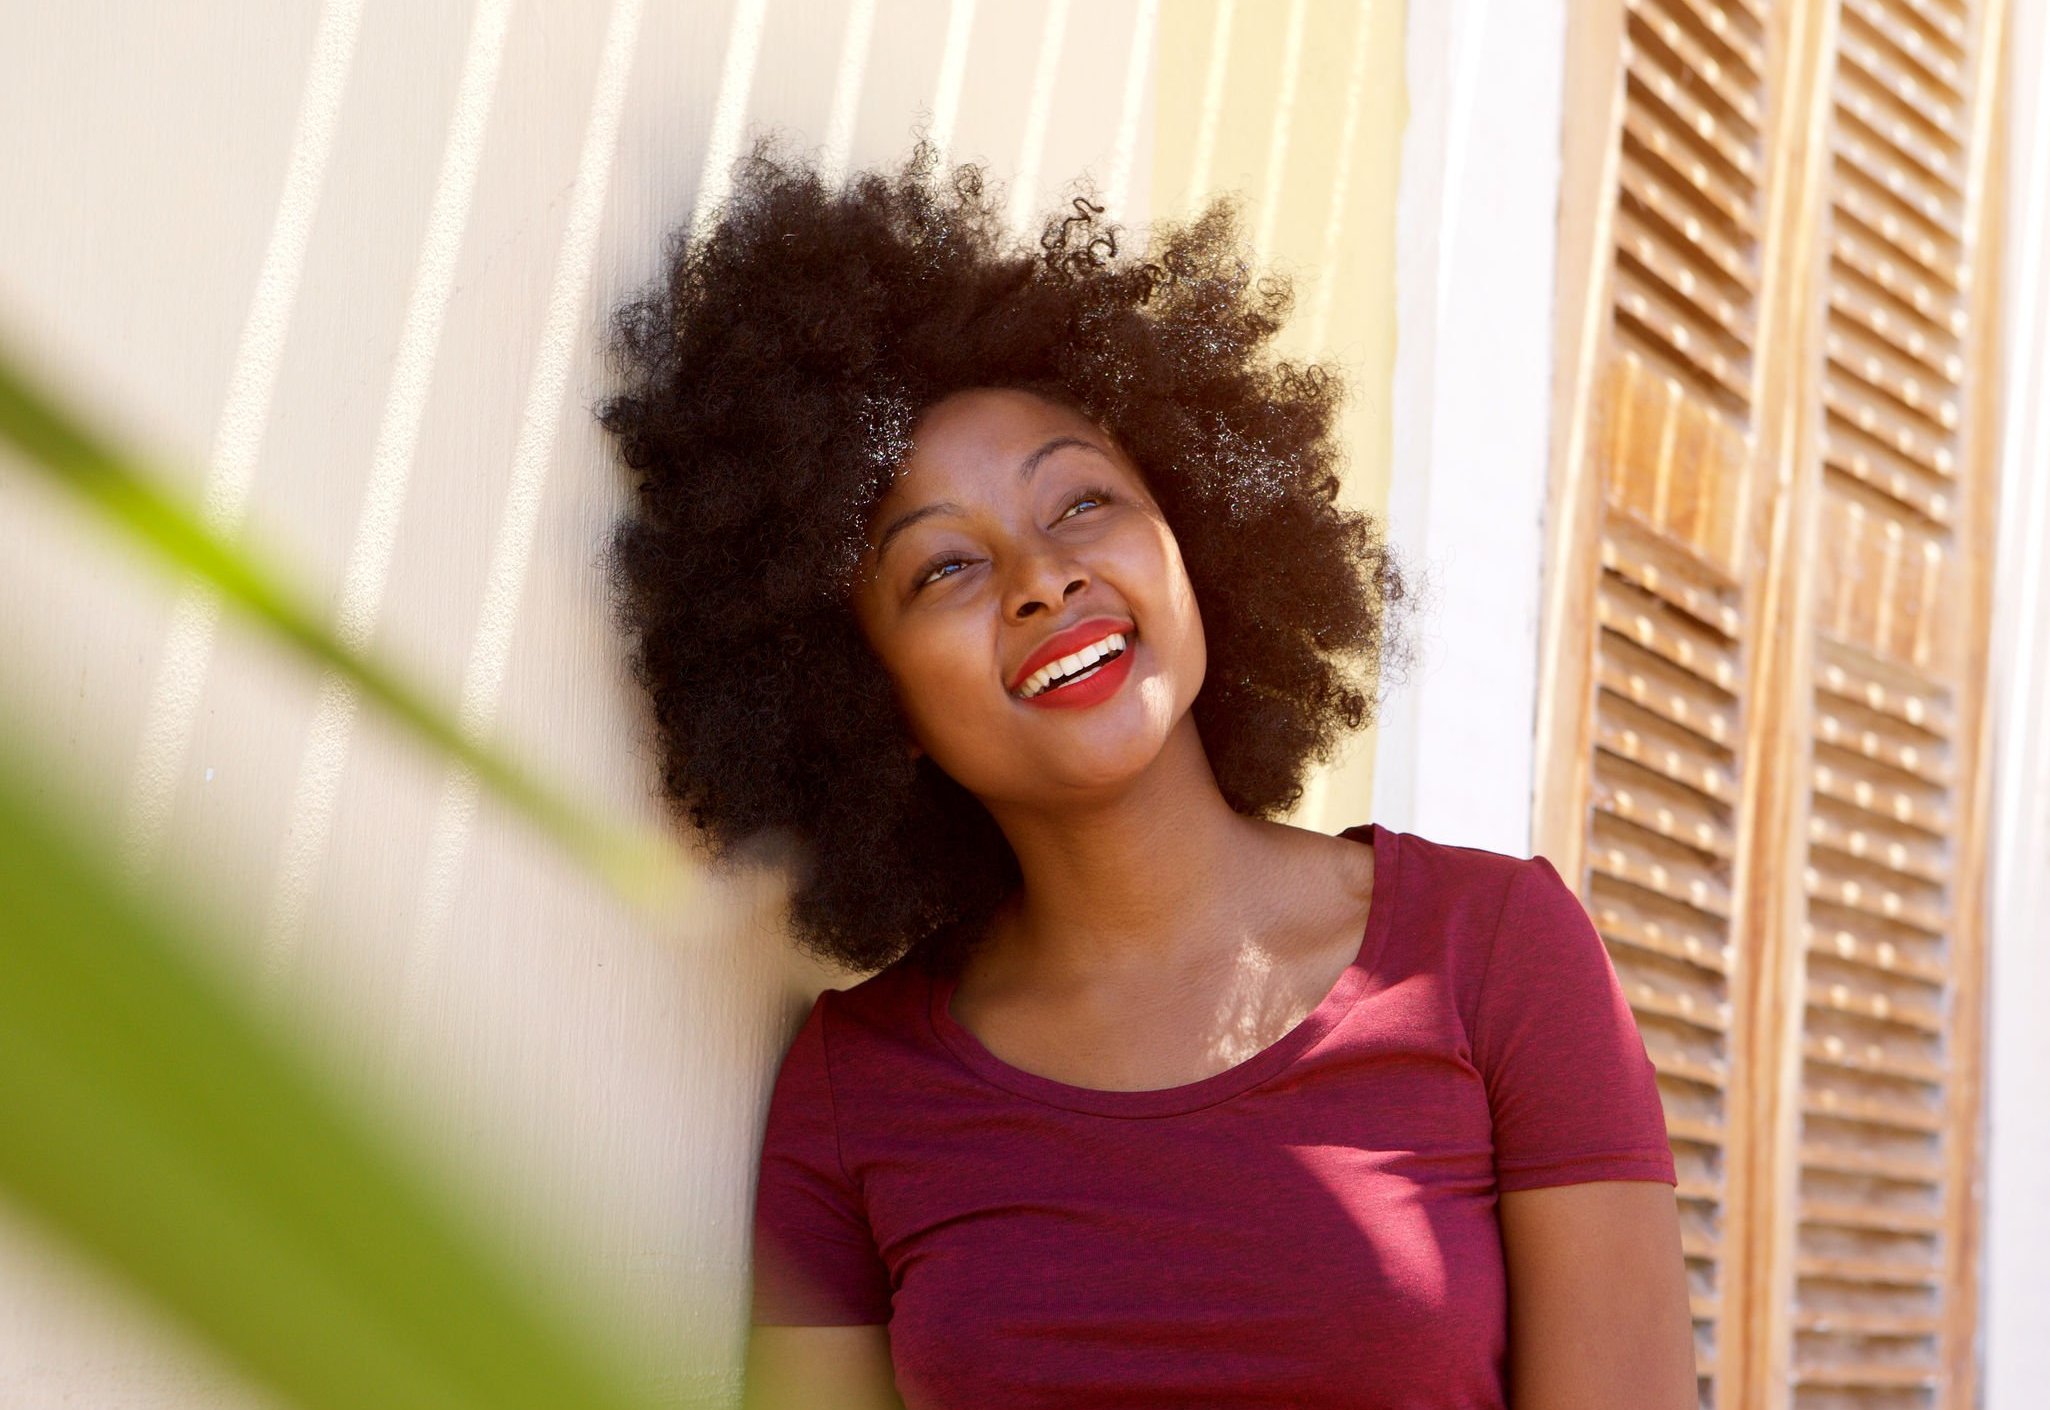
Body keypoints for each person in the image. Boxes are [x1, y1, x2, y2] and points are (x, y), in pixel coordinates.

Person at [595, 136, 1696, 1409]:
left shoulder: (1496, 955)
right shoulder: (855, 1094)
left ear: (1196, 539)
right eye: (943, 567)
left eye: (1081, 504)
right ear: (864, 698)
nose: (1042, 578)